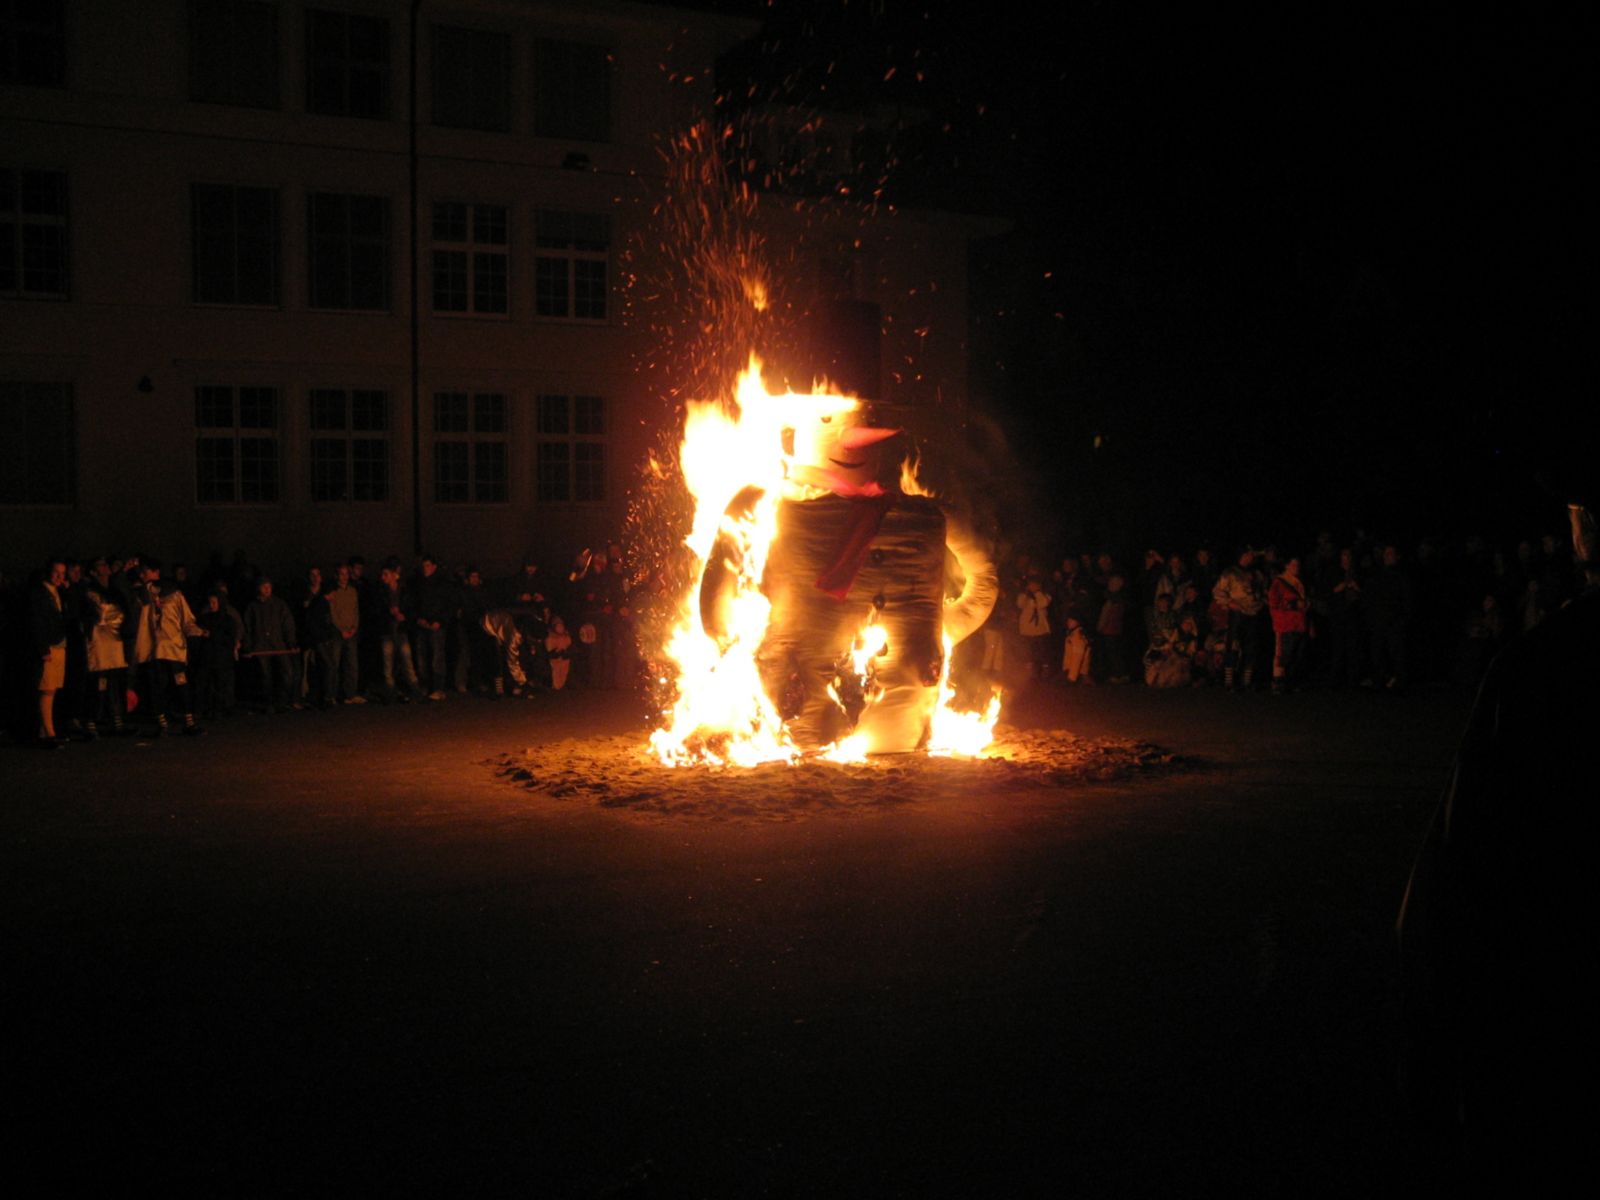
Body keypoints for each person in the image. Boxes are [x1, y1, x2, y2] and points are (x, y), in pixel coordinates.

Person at [142, 574, 208, 735]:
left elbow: (186, 620)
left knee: (181, 683)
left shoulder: (175, 596)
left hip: (175, 649)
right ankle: (162, 724)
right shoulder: (145, 595)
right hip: (156, 650)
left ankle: (189, 722)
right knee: (159, 686)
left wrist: (198, 632)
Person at [81, 557, 132, 737]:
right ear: (93, 572)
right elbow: (102, 614)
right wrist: (114, 616)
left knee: (115, 682)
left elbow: (124, 612)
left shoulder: (115, 591)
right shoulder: (90, 591)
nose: (105, 567)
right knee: (98, 682)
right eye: (100, 565)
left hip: (115, 641)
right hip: (98, 642)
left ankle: (117, 721)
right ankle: (92, 720)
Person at [30, 558, 70, 747]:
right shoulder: (39, 593)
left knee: (52, 688)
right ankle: (48, 732)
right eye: (56, 573)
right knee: (46, 688)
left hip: (59, 643)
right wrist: (43, 648)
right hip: (49, 645)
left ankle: (45, 730)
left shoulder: (58, 592)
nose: (59, 577)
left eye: (62, 574)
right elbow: (36, 622)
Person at [1213, 547, 1266, 691]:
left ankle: (1246, 681)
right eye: (1247, 555)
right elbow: (1218, 591)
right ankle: (1229, 681)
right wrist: (1229, 603)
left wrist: (1261, 603)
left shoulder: (1257, 574)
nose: (1250, 557)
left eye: (1251, 555)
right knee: (1233, 645)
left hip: (1254, 613)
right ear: (1242, 556)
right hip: (1238, 613)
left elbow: (1263, 592)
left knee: (1251, 646)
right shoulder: (1230, 572)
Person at [243, 576, 298, 713]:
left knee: (287, 672)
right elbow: (247, 628)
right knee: (265, 676)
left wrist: (291, 642)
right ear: (258, 588)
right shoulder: (252, 607)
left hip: (278, 644)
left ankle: (283, 701)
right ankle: (269, 703)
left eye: (269, 586)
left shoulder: (279, 604)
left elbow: (288, 624)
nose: (267, 589)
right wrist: (247, 647)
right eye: (264, 586)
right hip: (260, 646)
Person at [1267, 556, 1310, 694]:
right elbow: (1273, 603)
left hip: (1299, 623)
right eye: (1293, 565)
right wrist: (1293, 604)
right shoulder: (1279, 583)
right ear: (1286, 566)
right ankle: (1278, 682)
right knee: (1284, 654)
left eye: (1298, 565)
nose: (1296, 568)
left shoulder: (1299, 582)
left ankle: (1292, 681)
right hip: (1286, 624)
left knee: (1298, 654)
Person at [325, 562, 363, 703]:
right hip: (337, 633)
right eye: (341, 574)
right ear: (337, 575)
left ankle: (350, 694)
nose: (344, 577)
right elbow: (333, 613)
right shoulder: (333, 592)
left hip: (351, 632)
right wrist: (341, 630)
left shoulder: (353, 591)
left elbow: (356, 611)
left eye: (346, 574)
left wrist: (354, 627)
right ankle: (331, 695)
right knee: (334, 664)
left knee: (352, 664)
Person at [1015, 574, 1053, 679]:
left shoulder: (1045, 595)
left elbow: (1043, 603)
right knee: (1029, 651)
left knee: (1042, 651)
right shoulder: (1023, 595)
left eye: (1035, 584)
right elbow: (1020, 604)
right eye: (1031, 584)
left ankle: (1045, 670)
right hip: (1027, 628)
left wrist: (1037, 592)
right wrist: (1027, 593)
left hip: (1041, 628)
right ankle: (1030, 672)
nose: (1032, 586)